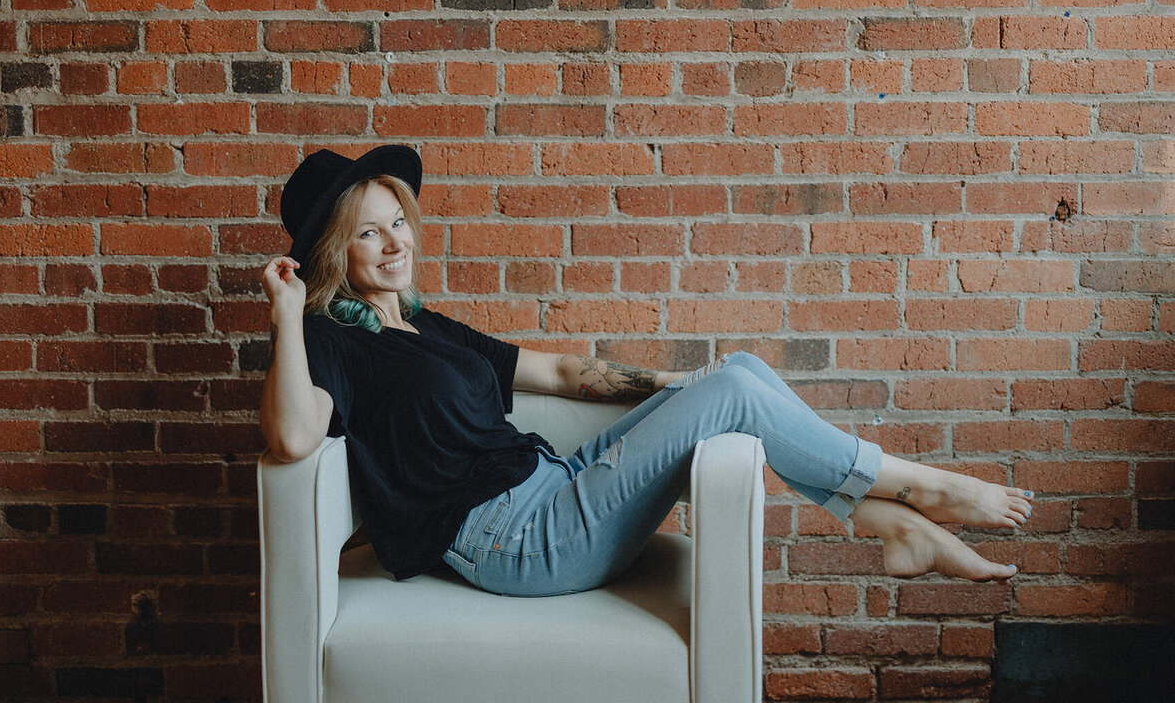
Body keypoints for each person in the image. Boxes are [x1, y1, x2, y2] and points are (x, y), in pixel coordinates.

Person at [259, 145, 1034, 597]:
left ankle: (883, 519)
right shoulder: (332, 340)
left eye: (398, 220)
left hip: (553, 484)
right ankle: (915, 491)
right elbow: (294, 437)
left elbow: (562, 374)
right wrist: (288, 318)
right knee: (731, 390)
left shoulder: (428, 326)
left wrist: (673, 391)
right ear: (336, 252)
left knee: (734, 371)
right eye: (369, 233)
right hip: (515, 541)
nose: (395, 243)